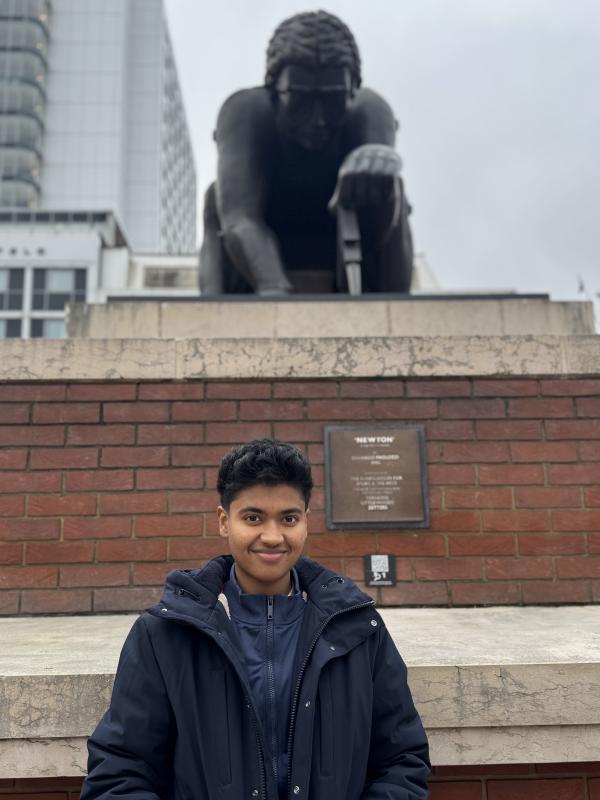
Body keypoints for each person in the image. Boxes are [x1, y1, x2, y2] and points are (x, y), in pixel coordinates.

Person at [81, 438, 430, 800]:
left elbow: (401, 759)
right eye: (253, 517)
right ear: (223, 521)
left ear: (306, 523)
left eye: (288, 518)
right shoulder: (165, 633)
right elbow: (120, 773)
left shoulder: (357, 629)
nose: (272, 536)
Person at [199, 11, 414, 295]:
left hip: (343, 241)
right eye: (300, 101)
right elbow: (240, 218)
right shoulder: (246, 112)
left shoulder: (370, 111)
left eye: (333, 101)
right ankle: (211, 320)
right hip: (262, 248)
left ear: (352, 93)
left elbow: (379, 227)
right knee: (218, 197)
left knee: (391, 185)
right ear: (274, 92)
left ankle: (395, 313)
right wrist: (275, 292)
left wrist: (379, 174)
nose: (317, 120)